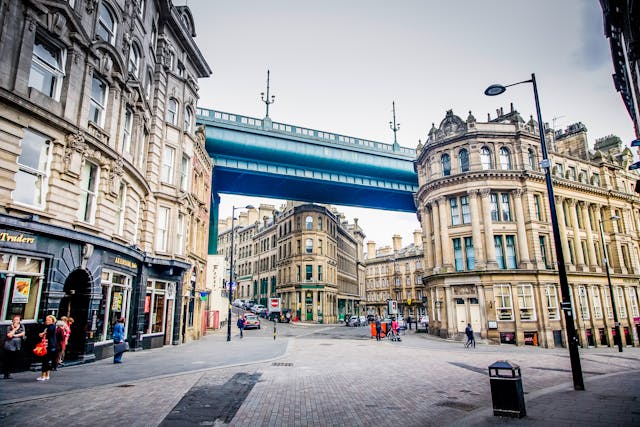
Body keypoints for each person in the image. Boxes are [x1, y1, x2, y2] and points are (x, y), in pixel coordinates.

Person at [37, 315, 57, 381]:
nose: (47, 321)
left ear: (52, 321)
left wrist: (43, 333)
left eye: (49, 320)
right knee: (47, 361)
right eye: (47, 320)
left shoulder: (50, 327)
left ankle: (43, 376)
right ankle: (47, 375)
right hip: (51, 345)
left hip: (48, 345)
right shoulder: (51, 327)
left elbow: (46, 333)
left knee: (45, 360)